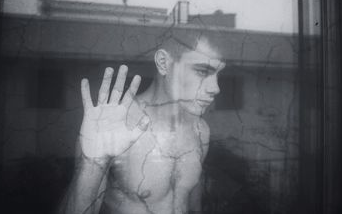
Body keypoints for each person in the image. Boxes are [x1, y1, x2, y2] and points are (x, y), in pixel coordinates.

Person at [59, 32, 226, 214]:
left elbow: (193, 208)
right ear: (164, 63)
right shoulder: (114, 127)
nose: (215, 88)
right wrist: (91, 164)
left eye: (218, 74)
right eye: (202, 71)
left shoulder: (200, 130)